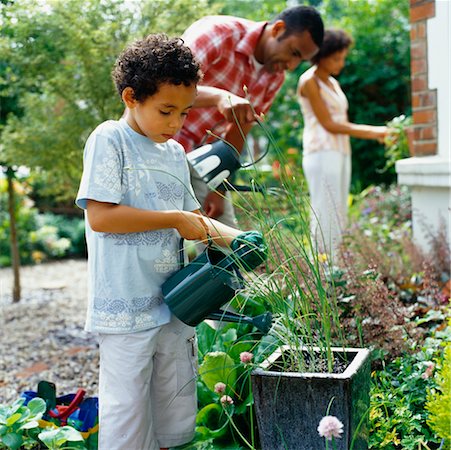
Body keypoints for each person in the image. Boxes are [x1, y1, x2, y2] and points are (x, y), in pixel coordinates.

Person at [75, 34, 261, 450]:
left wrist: (238, 239)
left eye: (184, 111)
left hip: (175, 300)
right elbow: (101, 217)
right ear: (130, 97)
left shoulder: (174, 152)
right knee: (128, 409)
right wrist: (175, 219)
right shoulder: (110, 139)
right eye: (165, 111)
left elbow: (192, 222)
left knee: (172, 404)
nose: (176, 123)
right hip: (126, 304)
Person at [176, 6, 324, 227]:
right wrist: (219, 97)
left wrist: (221, 186)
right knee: (160, 240)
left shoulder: (275, 77)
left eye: (300, 61)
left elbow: (239, 129)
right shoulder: (218, 33)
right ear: (278, 29)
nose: (292, 66)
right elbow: (166, 86)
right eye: (294, 52)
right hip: (166, 146)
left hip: (207, 163)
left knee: (230, 249)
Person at [297, 29, 389, 254]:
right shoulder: (309, 81)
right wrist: (376, 132)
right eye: (337, 57)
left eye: (343, 57)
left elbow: (343, 121)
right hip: (321, 151)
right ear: (322, 55)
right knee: (324, 209)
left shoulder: (332, 83)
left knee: (339, 210)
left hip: (340, 150)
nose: (342, 63)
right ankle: (323, 267)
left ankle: (338, 266)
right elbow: (329, 124)